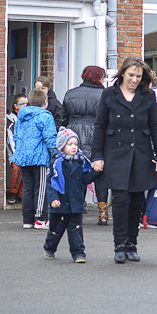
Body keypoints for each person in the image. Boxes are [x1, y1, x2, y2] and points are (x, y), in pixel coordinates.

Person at [90, 57, 157, 264]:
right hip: (115, 154)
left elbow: (156, 126)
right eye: (131, 75)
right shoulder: (109, 94)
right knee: (121, 199)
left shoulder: (147, 96)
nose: (134, 79)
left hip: (141, 154)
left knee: (136, 200)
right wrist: (96, 155)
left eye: (138, 76)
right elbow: (99, 126)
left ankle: (132, 244)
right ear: (123, 73)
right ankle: (120, 245)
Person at [43, 128, 98, 262]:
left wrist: (96, 172)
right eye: (70, 144)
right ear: (62, 146)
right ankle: (50, 248)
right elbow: (51, 183)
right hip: (60, 205)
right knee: (56, 230)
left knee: (76, 230)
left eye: (76, 144)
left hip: (75, 204)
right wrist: (53, 198)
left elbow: (85, 179)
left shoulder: (81, 162)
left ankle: (78, 253)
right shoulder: (56, 163)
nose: (74, 147)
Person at [62, 66, 108, 225]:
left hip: (74, 136)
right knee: (99, 174)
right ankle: (103, 213)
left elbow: (63, 119)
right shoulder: (105, 95)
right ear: (99, 78)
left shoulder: (70, 94)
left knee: (77, 174)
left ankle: (77, 209)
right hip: (98, 136)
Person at [13, 88, 57, 230]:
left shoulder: (21, 116)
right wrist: (55, 152)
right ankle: (41, 218)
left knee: (28, 188)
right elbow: (50, 138)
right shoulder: (46, 116)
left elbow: (16, 136)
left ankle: (28, 219)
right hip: (40, 157)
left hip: (24, 157)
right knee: (41, 188)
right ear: (45, 102)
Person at [6, 94, 28, 204]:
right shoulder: (11, 119)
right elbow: (10, 139)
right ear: (16, 106)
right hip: (15, 152)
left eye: (26, 104)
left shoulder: (29, 118)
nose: (25, 106)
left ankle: (21, 194)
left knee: (27, 170)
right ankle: (13, 192)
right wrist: (16, 153)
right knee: (16, 169)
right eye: (22, 104)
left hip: (27, 151)